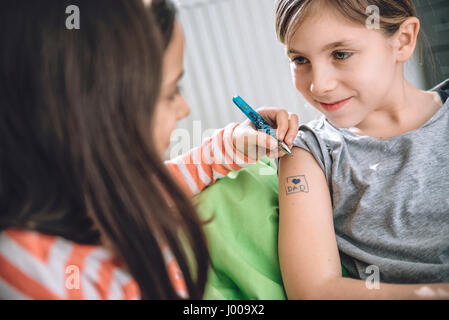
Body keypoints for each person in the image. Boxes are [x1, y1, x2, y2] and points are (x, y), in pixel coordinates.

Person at [0, 0, 298, 299]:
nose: (184, 108)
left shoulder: (99, 194)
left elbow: (169, 181)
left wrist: (233, 144)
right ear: (94, 112)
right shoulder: (35, 273)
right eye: (170, 93)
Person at [276, 0, 449, 299]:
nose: (319, 85)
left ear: (403, 41)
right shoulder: (308, 154)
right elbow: (313, 291)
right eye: (300, 60)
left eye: (341, 54)